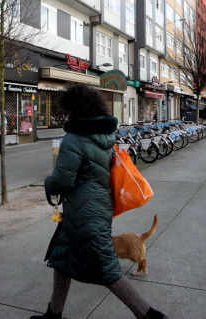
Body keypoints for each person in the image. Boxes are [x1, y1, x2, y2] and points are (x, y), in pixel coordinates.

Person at [34, 84, 168, 319]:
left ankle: (149, 315)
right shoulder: (105, 137)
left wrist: (48, 183)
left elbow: (63, 180)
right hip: (95, 208)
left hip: (83, 213)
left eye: (68, 109)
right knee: (62, 259)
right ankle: (53, 314)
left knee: (106, 268)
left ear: (74, 109)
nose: (66, 114)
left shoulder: (73, 140)